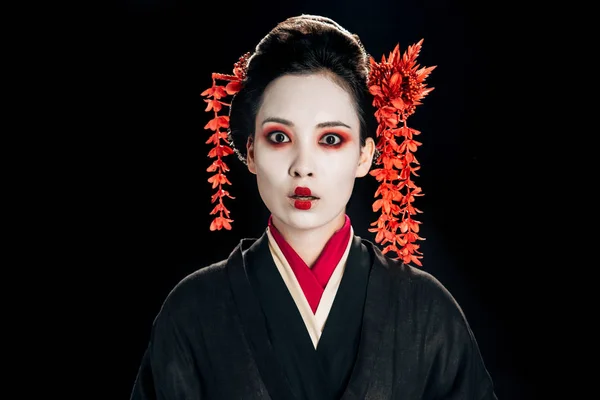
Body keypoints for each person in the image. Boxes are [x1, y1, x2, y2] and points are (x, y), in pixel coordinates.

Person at [130, 14, 497, 400]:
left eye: (331, 139)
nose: (302, 165)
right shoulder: (193, 312)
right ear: (250, 151)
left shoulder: (426, 312)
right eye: (279, 136)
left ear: (365, 155)